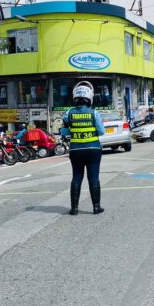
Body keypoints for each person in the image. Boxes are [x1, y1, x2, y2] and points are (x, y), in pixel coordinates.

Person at [62, 81, 106, 215]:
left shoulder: (68, 113)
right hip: (93, 149)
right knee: (93, 178)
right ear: (90, 97)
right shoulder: (94, 113)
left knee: (76, 177)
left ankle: (74, 209)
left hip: (75, 150)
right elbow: (101, 131)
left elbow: (64, 132)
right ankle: (96, 207)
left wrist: (75, 131)